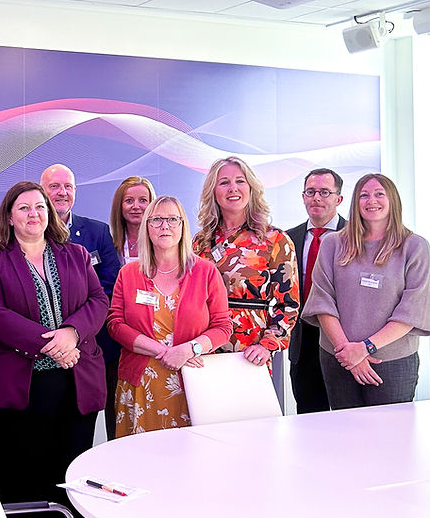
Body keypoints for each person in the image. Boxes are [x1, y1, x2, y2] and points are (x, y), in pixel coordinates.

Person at [0, 181, 108, 506]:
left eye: (39, 206)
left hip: (76, 382)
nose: (33, 213)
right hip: (20, 385)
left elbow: (98, 299)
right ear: (9, 216)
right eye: (24, 207)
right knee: (21, 475)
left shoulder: (75, 253)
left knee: (70, 474)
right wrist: (51, 344)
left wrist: (71, 333)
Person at [302, 174, 430, 410]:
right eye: (364, 195)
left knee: (390, 431)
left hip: (391, 363)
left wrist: (364, 349)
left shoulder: (415, 247)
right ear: (355, 202)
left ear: (392, 200)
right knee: (345, 430)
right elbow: (322, 301)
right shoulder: (333, 243)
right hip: (338, 358)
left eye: (379, 194)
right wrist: (348, 353)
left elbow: (412, 310)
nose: (372, 200)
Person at [107, 196, 231, 436]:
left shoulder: (206, 272)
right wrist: (164, 352)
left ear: (183, 226)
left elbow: (223, 327)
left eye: (173, 219)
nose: (165, 226)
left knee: (192, 453)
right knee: (141, 455)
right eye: (157, 220)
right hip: (140, 384)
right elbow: (115, 324)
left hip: (191, 383)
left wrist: (189, 349)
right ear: (147, 227)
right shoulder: (128, 273)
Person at [192, 156, 299, 368]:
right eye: (224, 182)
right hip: (203, 348)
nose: (233, 188)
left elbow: (288, 304)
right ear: (213, 191)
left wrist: (268, 345)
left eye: (240, 181)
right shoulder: (200, 241)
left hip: (250, 351)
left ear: (251, 188)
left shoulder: (275, 240)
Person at [40, 163, 121, 440]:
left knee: (80, 435)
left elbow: (108, 287)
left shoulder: (98, 232)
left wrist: (74, 330)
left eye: (68, 187)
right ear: (41, 191)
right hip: (43, 348)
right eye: (54, 186)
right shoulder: (28, 232)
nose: (62, 192)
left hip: (89, 346)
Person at [285, 168, 345, 414]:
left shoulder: (356, 235)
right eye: (310, 192)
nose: (316, 198)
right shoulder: (288, 238)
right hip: (303, 340)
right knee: (309, 416)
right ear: (303, 197)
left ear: (339, 198)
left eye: (324, 192)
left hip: (343, 338)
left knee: (349, 416)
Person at [110, 175, 156, 265]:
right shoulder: (109, 242)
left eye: (142, 200)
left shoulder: (162, 241)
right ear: (119, 206)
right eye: (129, 201)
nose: (136, 206)